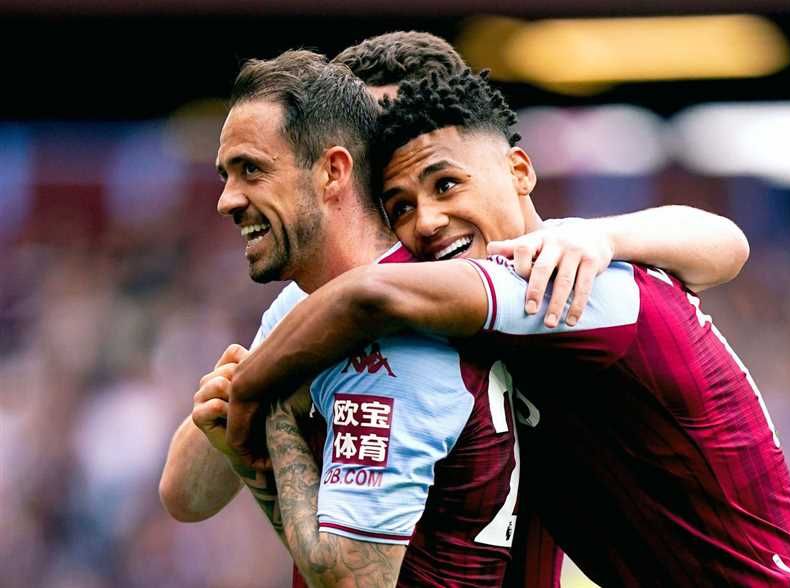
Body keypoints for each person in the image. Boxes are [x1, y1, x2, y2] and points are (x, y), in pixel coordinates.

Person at [159, 33, 750, 586]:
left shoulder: (547, 273)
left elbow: (724, 245)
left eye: (431, 169)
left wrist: (606, 236)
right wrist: (248, 406)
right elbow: (186, 493)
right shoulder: (322, 300)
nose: (385, 165)